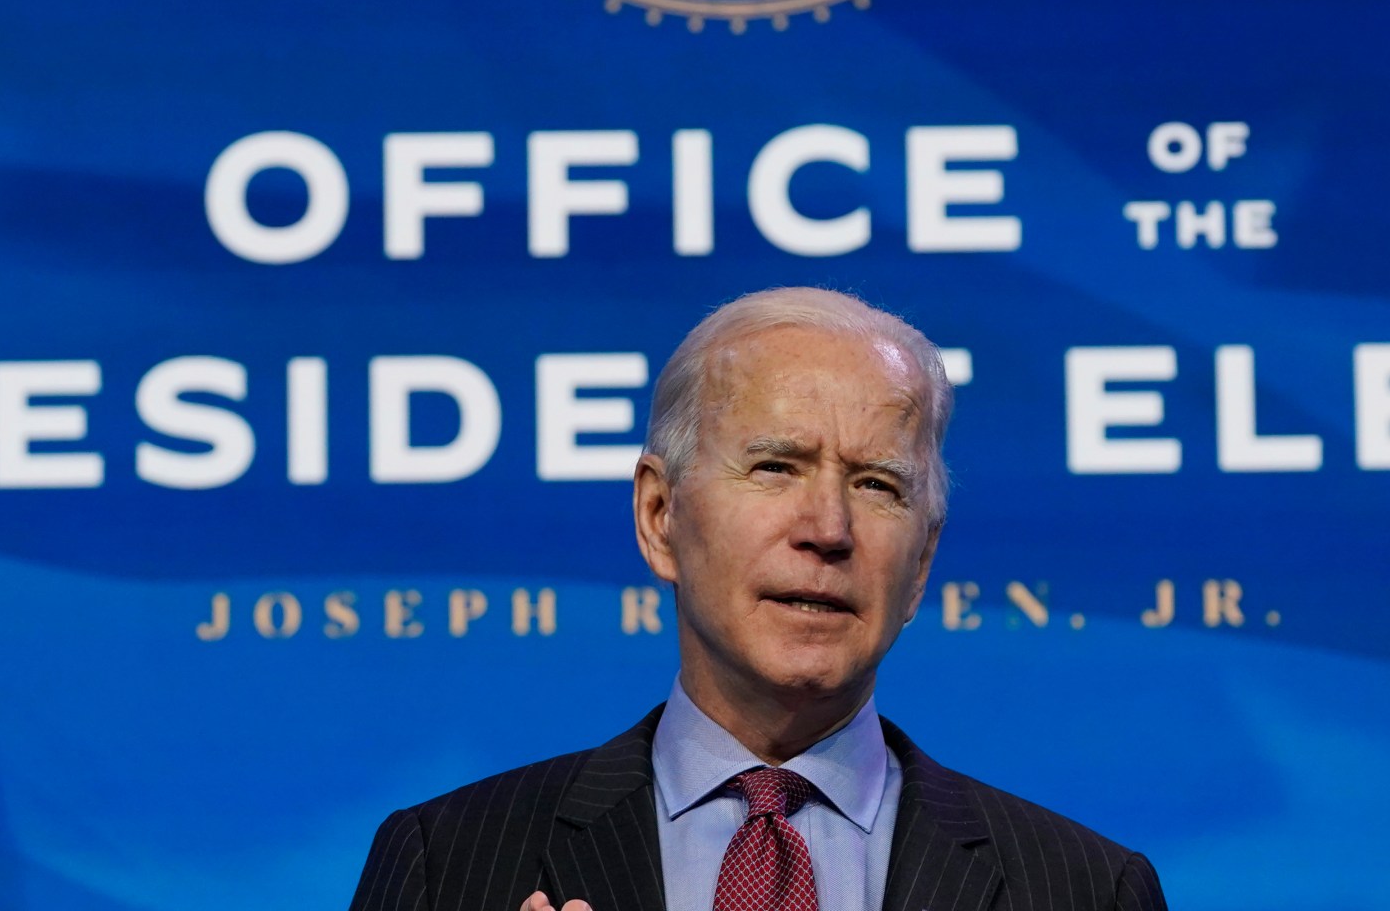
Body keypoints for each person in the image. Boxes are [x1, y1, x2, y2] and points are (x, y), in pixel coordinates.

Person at [350, 287, 1167, 911]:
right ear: (659, 516)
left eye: (878, 484)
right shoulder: (448, 865)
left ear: (922, 565)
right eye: (776, 467)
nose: (828, 528)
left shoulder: (1087, 890)